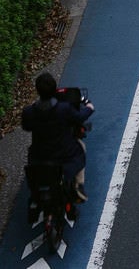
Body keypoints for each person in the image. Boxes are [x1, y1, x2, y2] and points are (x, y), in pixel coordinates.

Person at [22, 73, 94, 202]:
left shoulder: (29, 112)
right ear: (54, 89)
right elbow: (79, 117)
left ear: (37, 90)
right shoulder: (64, 109)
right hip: (65, 155)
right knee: (81, 147)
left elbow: (26, 127)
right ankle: (79, 185)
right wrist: (89, 108)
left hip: (39, 156)